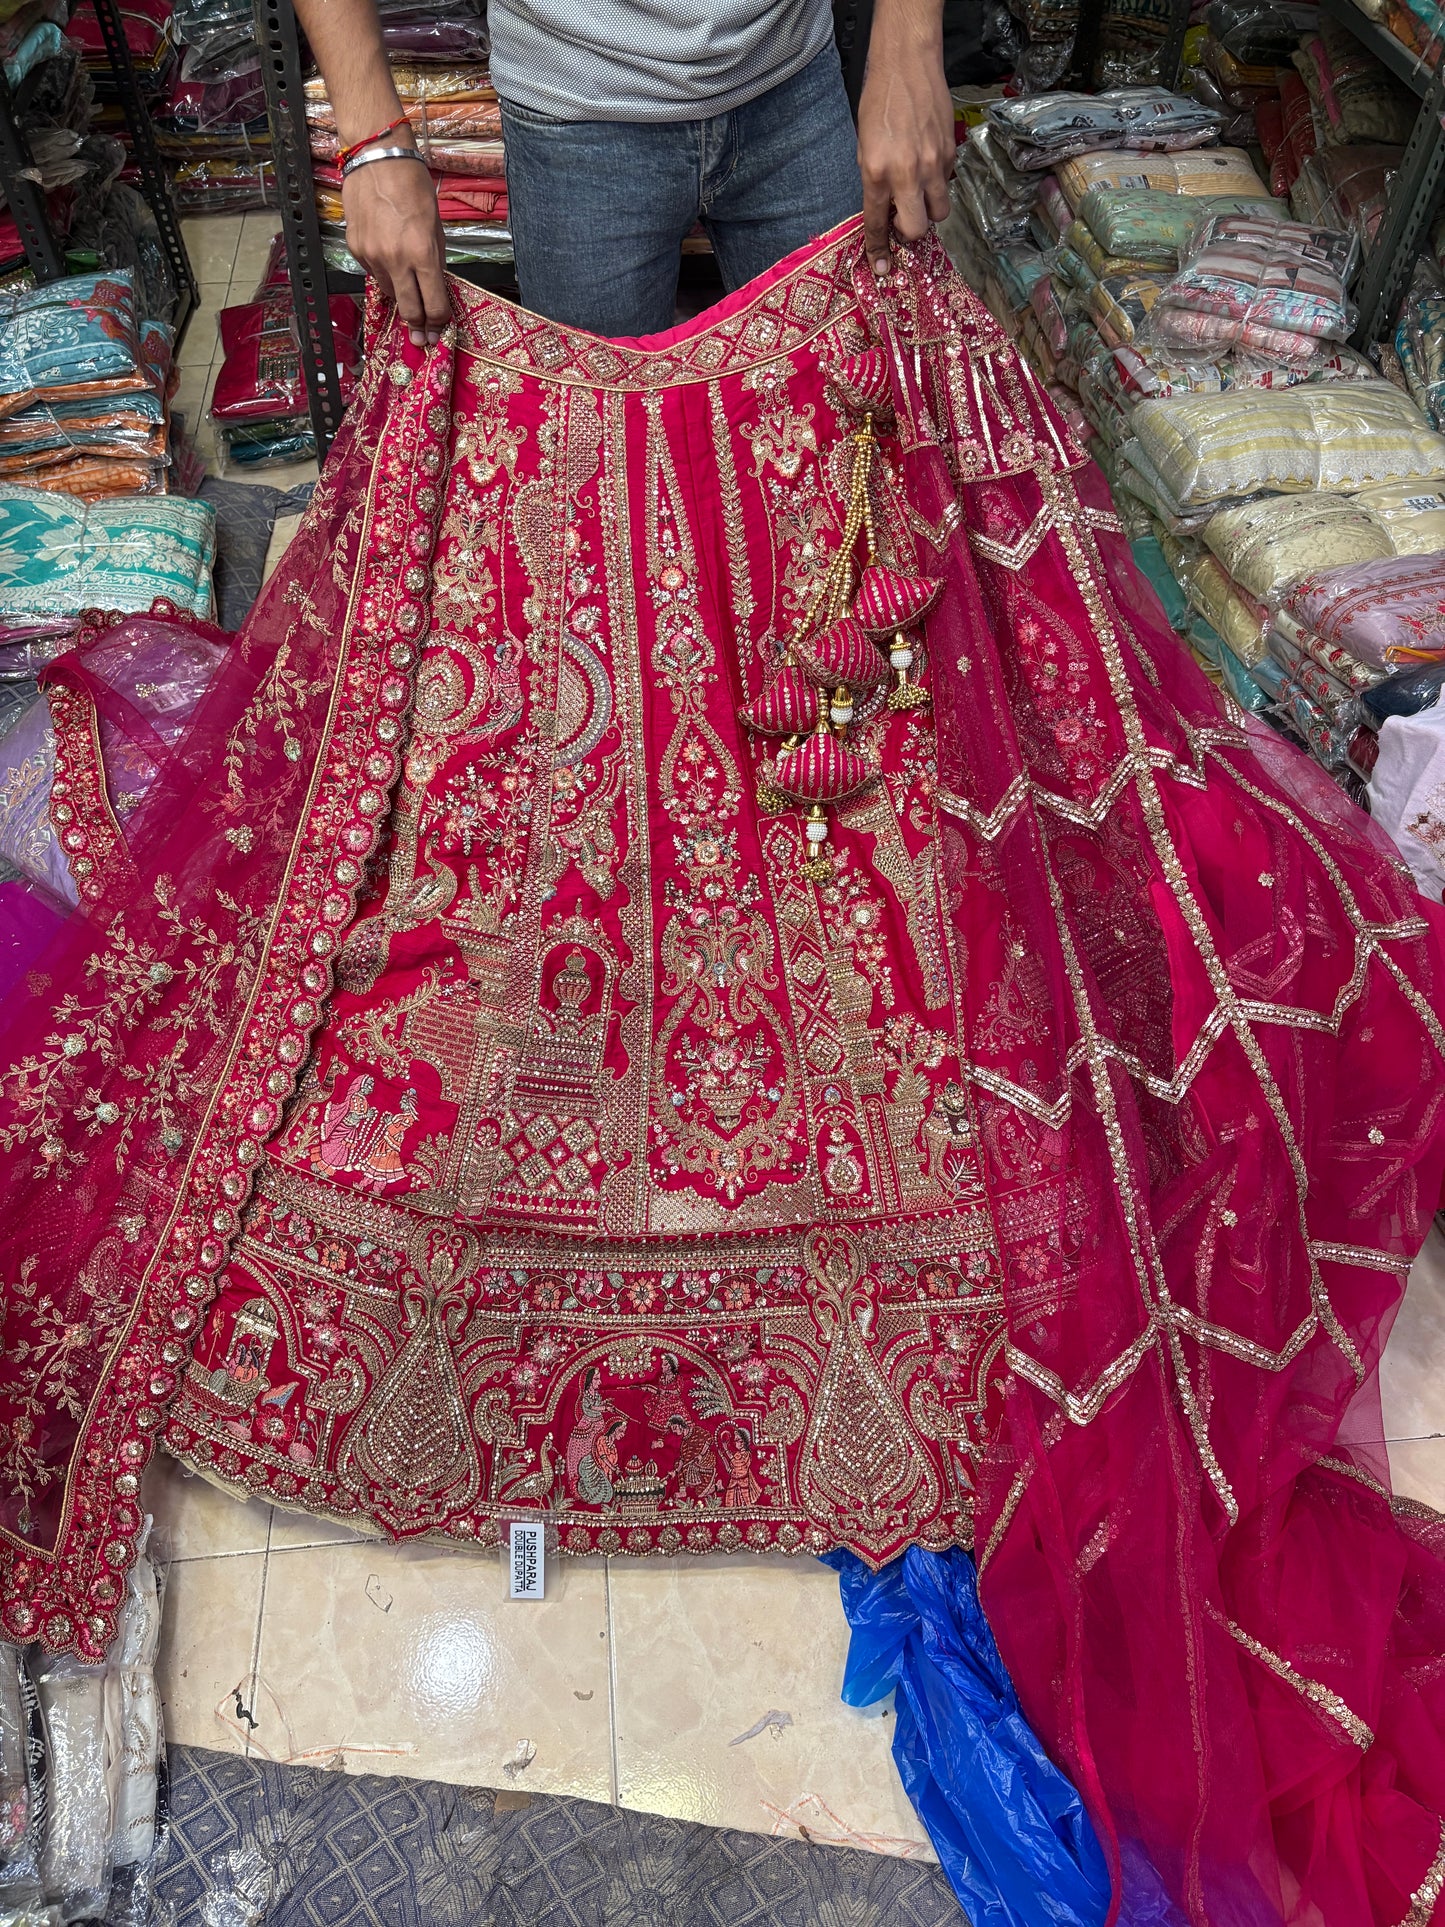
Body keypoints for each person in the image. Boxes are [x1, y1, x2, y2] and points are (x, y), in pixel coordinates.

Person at [291, 0, 954, 340]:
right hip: (571, 110)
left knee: (843, 429)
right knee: (602, 475)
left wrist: (907, 44)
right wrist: (372, 137)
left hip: (789, 75)